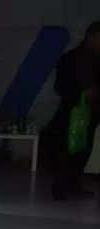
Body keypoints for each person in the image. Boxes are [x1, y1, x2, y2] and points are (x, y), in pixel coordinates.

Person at [49, 21, 100, 200]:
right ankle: (59, 187)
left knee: (83, 149)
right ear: (91, 37)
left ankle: (74, 184)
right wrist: (82, 93)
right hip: (72, 112)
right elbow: (60, 87)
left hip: (90, 112)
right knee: (67, 149)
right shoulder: (71, 58)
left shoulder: (95, 59)